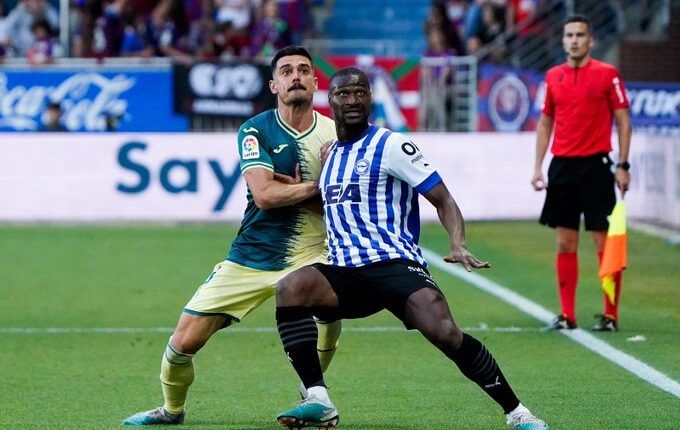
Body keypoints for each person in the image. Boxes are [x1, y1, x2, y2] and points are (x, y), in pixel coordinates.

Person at [273, 67, 548, 430]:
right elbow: (336, 208)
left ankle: (518, 413)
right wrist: (299, 195)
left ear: (371, 99)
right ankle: (318, 398)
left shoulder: (392, 145)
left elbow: (443, 199)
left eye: (360, 93)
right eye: (344, 94)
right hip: (345, 272)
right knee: (290, 288)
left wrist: (458, 242)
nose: (352, 100)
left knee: (446, 333)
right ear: (331, 101)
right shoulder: (329, 157)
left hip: (395, 265)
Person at [122, 45, 342, 426]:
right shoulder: (256, 129)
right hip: (250, 256)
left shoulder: (336, 135)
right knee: (181, 345)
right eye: (286, 71)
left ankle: (314, 394)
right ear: (274, 84)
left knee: (325, 311)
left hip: (312, 252)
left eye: (303, 70)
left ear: (314, 82)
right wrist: (315, 188)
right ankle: (172, 411)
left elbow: (342, 202)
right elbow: (266, 195)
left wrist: (306, 188)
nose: (295, 76)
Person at [531, 15, 631, 332]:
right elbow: (546, 122)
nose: (574, 40)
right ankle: (567, 315)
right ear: (563, 41)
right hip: (563, 167)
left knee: (605, 244)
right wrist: (537, 166)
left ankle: (610, 313)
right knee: (564, 243)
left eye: (580, 35)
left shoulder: (607, 75)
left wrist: (623, 165)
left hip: (597, 167)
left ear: (591, 40)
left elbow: (624, 121)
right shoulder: (553, 76)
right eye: (569, 35)